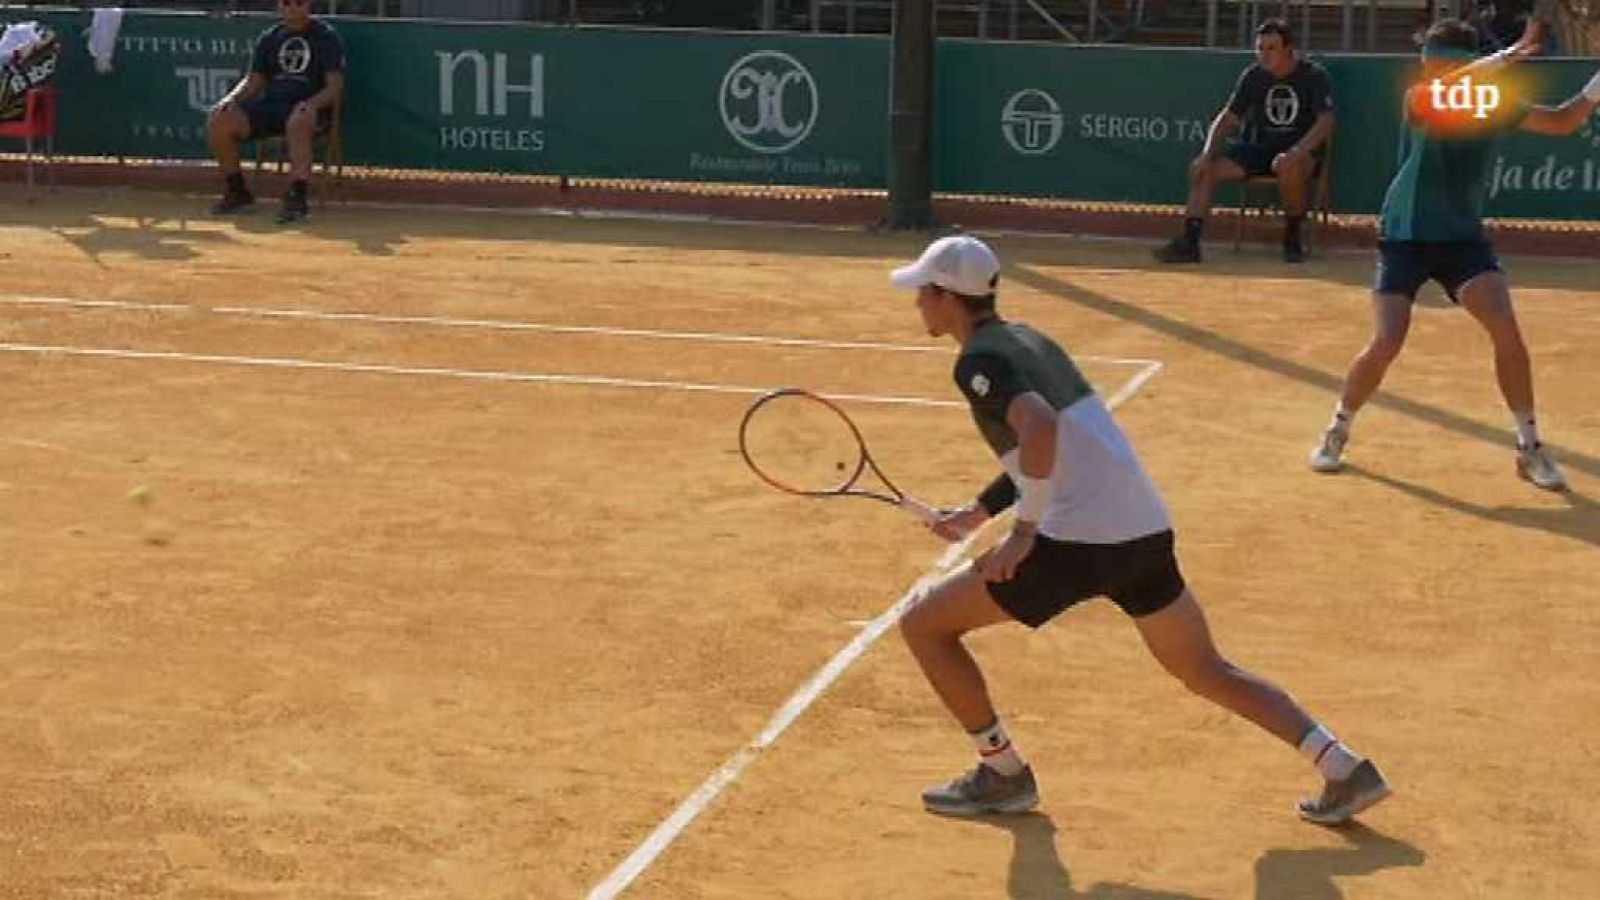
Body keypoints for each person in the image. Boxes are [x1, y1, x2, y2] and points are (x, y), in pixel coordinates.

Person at [890, 234, 1390, 824]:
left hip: (1078, 539)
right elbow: (1066, 444)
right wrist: (979, 512)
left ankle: (1002, 774)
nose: (917, 302)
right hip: (1142, 528)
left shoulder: (978, 361)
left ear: (947, 298)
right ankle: (1342, 767)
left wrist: (1023, 533)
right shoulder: (1031, 340)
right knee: (1205, 668)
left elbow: (1041, 429)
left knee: (925, 626)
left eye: (923, 291)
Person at [1309, 18, 1599, 489]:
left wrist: (1597, 84)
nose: (1428, 73)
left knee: (1505, 327)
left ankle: (1529, 447)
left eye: (1437, 65)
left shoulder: (1491, 103)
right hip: (1406, 237)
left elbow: (1564, 120)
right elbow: (1450, 88)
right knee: (1387, 340)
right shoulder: (1420, 98)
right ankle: (1337, 429)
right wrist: (1509, 55)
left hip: (1462, 239)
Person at [1154, 19, 1335, 264]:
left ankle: (1293, 236)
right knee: (1206, 169)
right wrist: (1206, 154)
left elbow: (1326, 122)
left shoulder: (1314, 75)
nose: (1264, 54)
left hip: (1301, 153)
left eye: (1271, 48)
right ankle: (1190, 241)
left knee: (1288, 166)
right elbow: (1228, 118)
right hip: (1259, 150)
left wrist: (1296, 152)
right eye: (1260, 48)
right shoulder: (1253, 76)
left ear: (1288, 49)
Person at [206, 0, 345, 224]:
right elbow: (254, 80)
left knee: (298, 120)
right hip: (271, 108)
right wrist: (231, 99)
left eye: (299, 2)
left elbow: (334, 86)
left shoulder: (326, 37)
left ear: (309, 4)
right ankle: (237, 192)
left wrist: (311, 104)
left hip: (310, 111)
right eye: (286, 2)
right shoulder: (270, 37)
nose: (292, 7)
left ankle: (297, 198)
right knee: (219, 119)